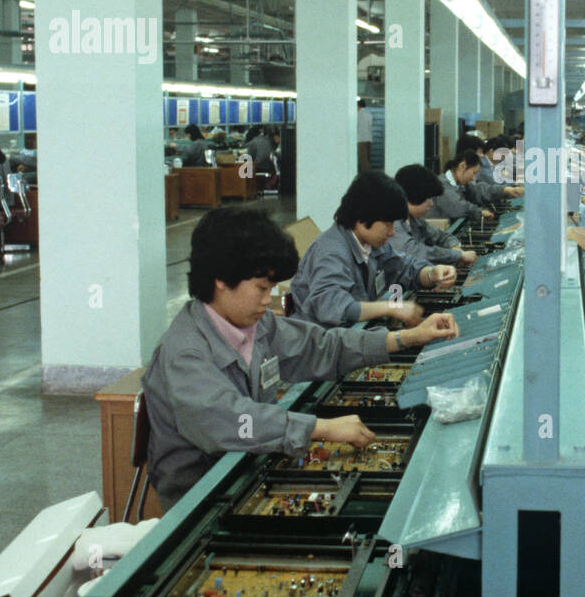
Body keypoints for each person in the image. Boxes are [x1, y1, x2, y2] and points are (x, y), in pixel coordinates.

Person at [143, 206, 459, 511]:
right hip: (203, 498)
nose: (269, 301)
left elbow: (320, 346)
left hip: (251, 467)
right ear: (221, 280)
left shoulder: (254, 324)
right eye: (261, 288)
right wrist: (319, 429)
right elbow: (232, 421)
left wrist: (405, 338)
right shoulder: (184, 353)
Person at [287, 171, 458, 328]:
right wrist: (391, 307)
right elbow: (333, 307)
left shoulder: (370, 244)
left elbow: (402, 268)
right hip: (323, 349)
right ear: (362, 218)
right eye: (387, 224)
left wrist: (432, 273)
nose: (392, 232)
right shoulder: (330, 253)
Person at [393, 164, 477, 267]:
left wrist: (455, 247)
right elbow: (417, 252)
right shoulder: (392, 224)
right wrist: (456, 255)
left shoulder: (415, 220)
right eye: (428, 198)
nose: (431, 204)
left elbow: (442, 236)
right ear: (413, 195)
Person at [432, 151, 494, 222]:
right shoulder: (442, 185)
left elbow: (478, 191)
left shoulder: (461, 185)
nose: (474, 178)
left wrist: (503, 190)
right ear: (462, 166)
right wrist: (479, 212)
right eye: (474, 173)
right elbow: (457, 206)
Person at [357, 99, 373, 173]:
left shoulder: (358, 114)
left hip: (361, 139)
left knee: (363, 159)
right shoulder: (369, 114)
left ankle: (366, 175)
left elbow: (356, 126)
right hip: (369, 138)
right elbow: (370, 125)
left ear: (358, 106)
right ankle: (368, 173)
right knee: (368, 158)